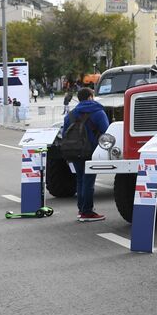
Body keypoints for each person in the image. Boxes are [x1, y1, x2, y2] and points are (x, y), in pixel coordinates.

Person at [62, 87, 109, 222]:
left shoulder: (70, 114)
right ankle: (87, 212)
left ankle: (81, 209)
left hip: (74, 150)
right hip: (91, 151)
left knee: (80, 179)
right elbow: (106, 131)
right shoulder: (98, 112)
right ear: (90, 97)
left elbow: (65, 133)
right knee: (89, 181)